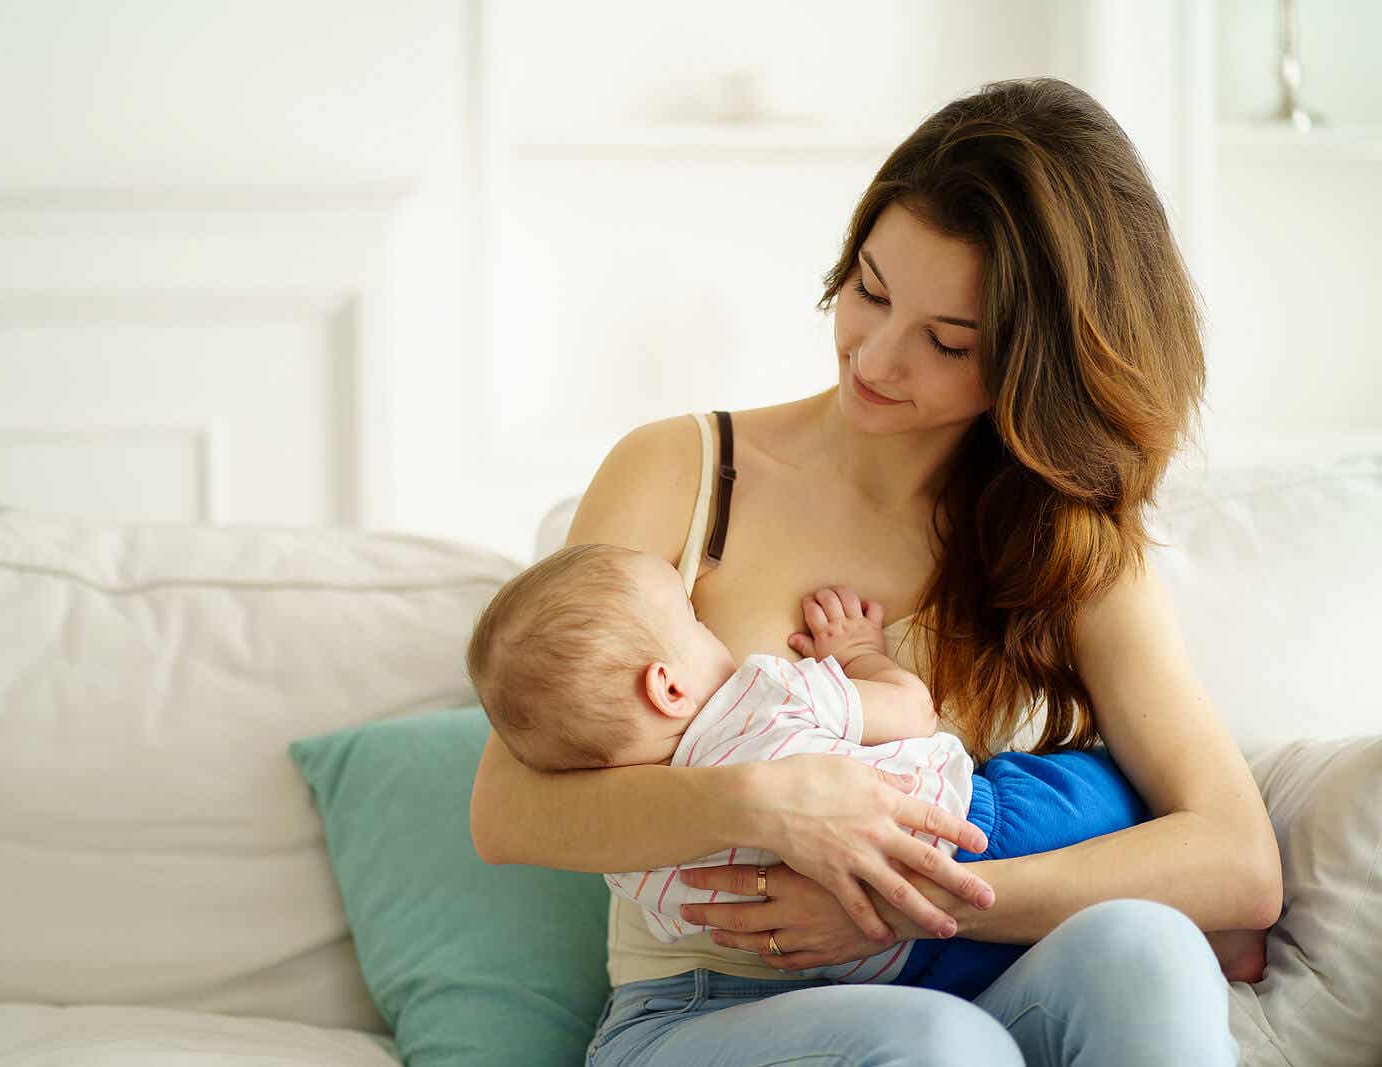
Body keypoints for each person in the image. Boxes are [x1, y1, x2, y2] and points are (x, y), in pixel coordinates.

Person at [469, 77, 1279, 1066]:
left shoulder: (1060, 535)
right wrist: (776, 801)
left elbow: (1237, 859)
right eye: (870, 289)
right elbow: (508, 810)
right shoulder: (683, 471)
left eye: (946, 341)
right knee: (938, 1048)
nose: (876, 358)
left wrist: (911, 899)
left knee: (1146, 948)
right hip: (698, 1011)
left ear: (1039, 364)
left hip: (958, 973)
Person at [465, 543, 1266, 998]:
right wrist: (857, 658)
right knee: (1098, 787)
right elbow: (910, 710)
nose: (712, 629)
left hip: (882, 965)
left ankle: (1210, 939)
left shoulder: (636, 864)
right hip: (972, 830)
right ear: (668, 684)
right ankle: (1215, 935)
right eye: (693, 620)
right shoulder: (763, 693)